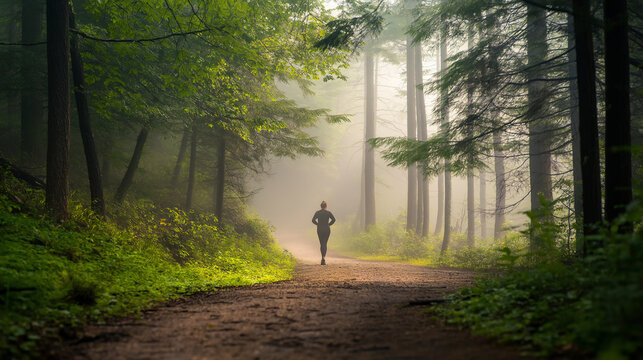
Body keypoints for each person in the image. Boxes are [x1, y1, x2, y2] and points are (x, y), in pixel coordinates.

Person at [312, 200, 336, 265]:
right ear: (326, 206)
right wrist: (329, 224)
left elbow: (313, 220)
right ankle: (323, 258)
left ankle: (322, 257)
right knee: (325, 243)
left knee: (321, 243)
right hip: (326, 229)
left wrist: (318, 224)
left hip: (320, 229)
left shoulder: (317, 212)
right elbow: (334, 220)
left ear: (321, 206)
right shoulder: (328, 213)